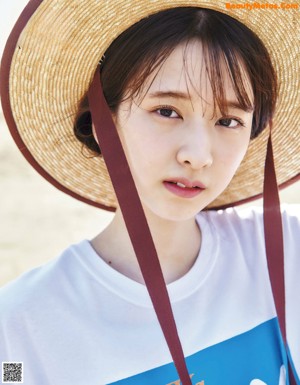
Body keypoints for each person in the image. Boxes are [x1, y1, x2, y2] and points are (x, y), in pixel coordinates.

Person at [0, 1, 299, 385]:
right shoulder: (20, 328)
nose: (197, 155)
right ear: (101, 121)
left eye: (229, 121)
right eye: (167, 111)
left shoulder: (287, 248)